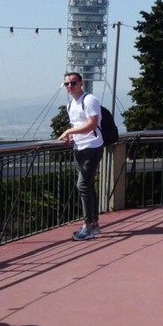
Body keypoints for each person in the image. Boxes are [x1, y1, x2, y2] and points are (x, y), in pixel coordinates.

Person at [58, 72, 105, 241]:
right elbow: (77, 124)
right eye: (67, 84)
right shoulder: (71, 105)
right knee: (88, 186)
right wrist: (71, 135)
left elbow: (92, 123)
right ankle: (94, 224)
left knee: (83, 185)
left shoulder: (89, 100)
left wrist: (69, 131)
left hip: (92, 147)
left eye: (73, 83)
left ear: (81, 83)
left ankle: (88, 225)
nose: (70, 86)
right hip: (79, 147)